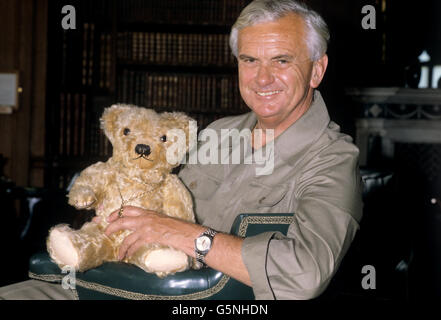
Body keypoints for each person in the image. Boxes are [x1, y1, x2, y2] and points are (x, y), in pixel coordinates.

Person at [0, 0, 362, 300]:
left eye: (281, 60)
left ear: (317, 70)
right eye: (249, 60)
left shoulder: (333, 160)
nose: (262, 78)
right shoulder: (219, 132)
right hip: (125, 280)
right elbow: (158, 202)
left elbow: (305, 273)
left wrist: (188, 236)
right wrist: (117, 220)